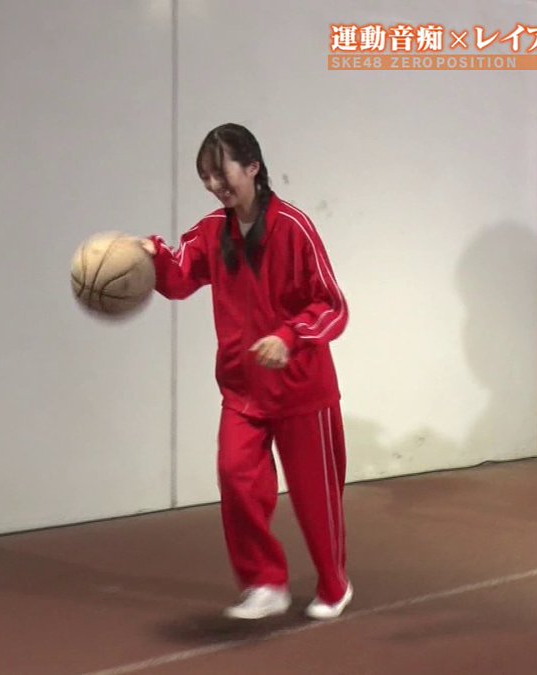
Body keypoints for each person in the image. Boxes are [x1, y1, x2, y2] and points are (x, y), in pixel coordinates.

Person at [138, 123, 352, 620]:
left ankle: (334, 583)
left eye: (221, 173)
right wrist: (149, 256)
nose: (214, 185)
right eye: (206, 177)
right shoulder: (212, 231)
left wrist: (288, 337)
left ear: (253, 167)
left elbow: (332, 305)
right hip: (242, 389)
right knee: (236, 479)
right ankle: (265, 583)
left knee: (315, 498)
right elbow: (179, 278)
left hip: (302, 390)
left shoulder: (294, 227)